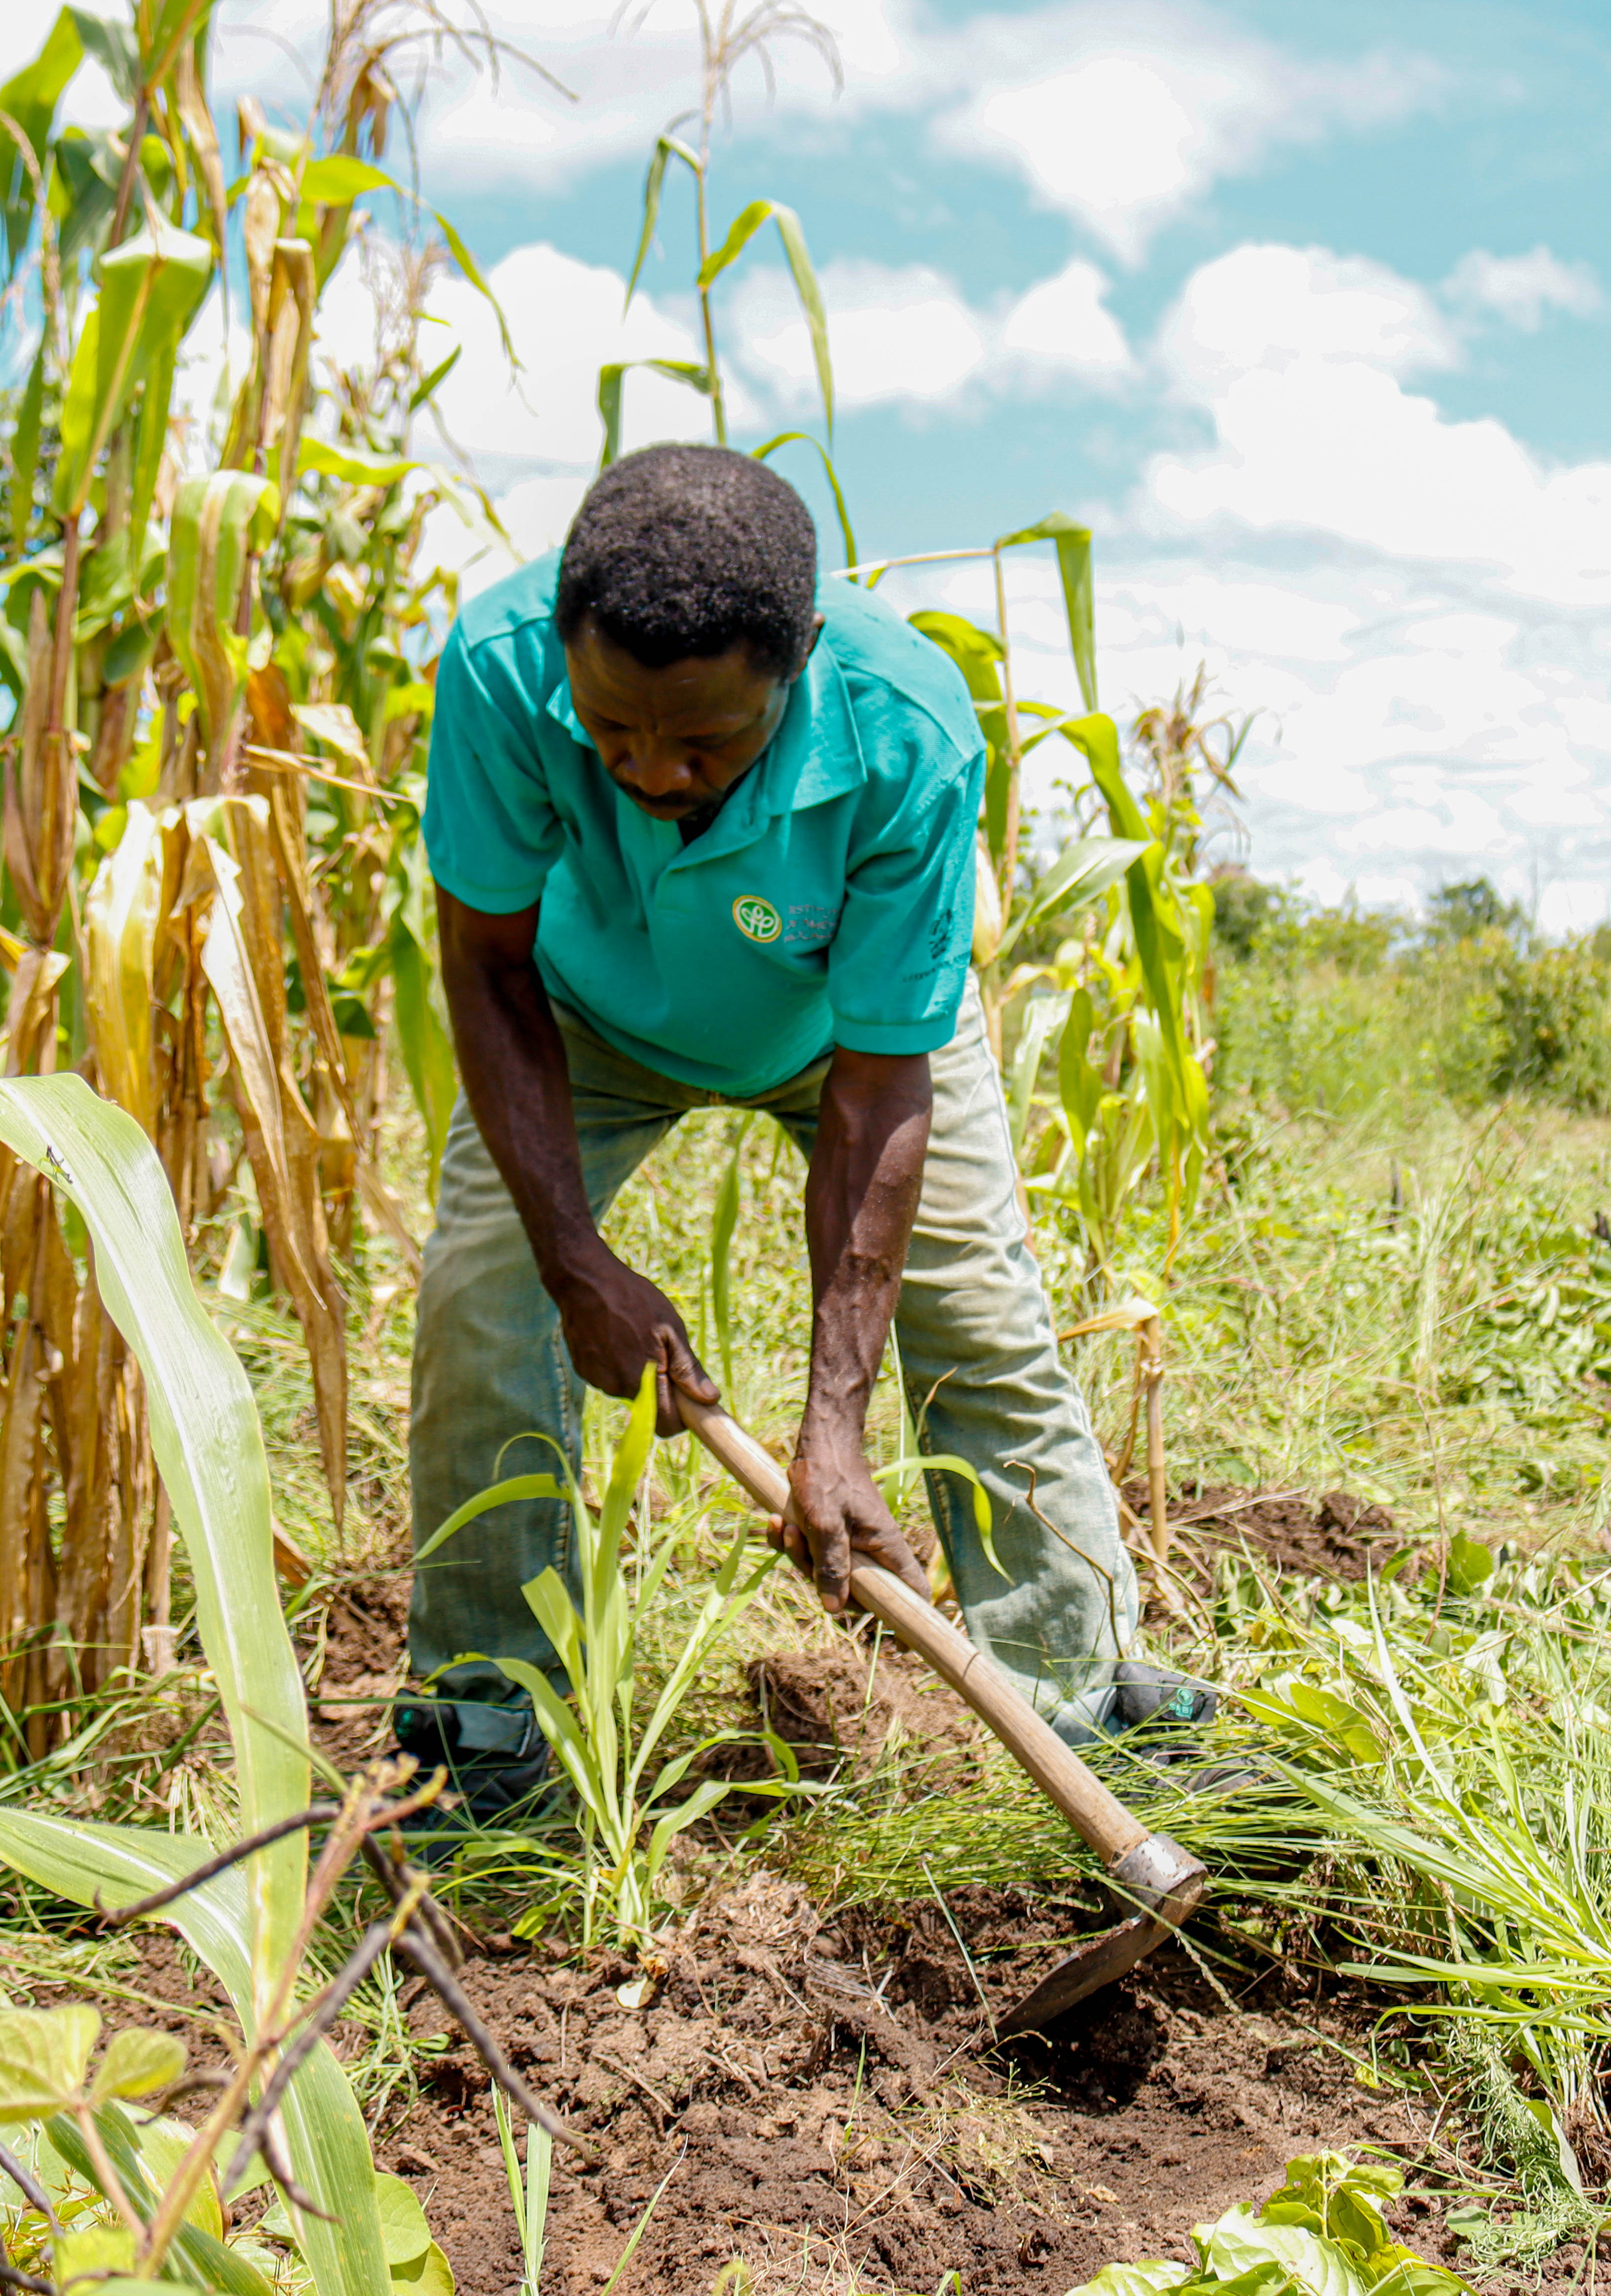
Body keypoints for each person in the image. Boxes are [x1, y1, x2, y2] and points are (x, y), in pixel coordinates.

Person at [396, 443, 1202, 1823]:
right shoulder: (495, 665)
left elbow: (886, 1079)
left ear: (799, 660)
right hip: (581, 1017)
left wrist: (837, 1423)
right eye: (614, 730)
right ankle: (485, 1730)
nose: (649, 769)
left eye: (703, 740)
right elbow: (482, 967)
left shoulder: (906, 728)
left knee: (980, 1316)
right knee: (485, 1290)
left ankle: (1090, 1693)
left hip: (843, 1030)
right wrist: (578, 1264)